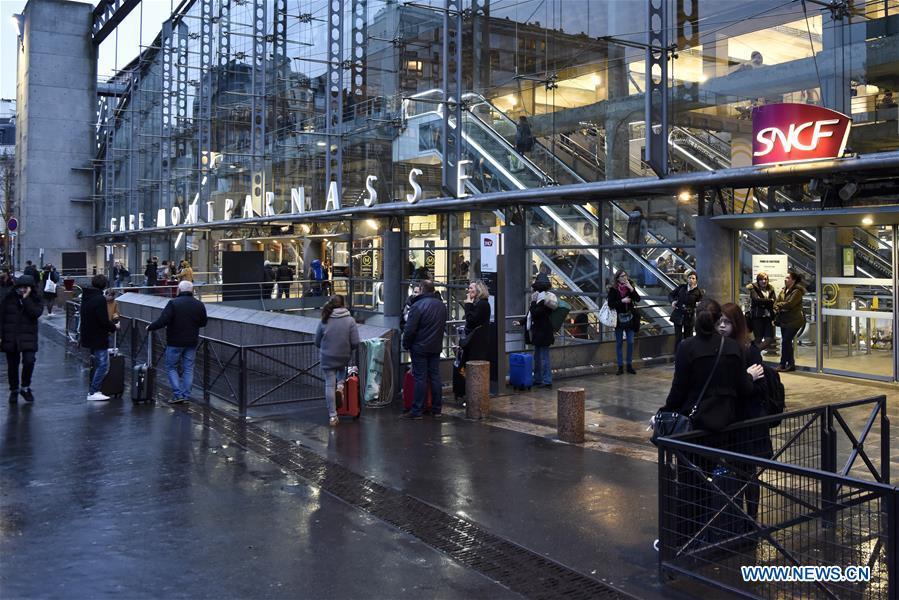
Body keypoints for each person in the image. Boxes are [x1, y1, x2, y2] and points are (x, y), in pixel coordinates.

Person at [657, 302, 757, 433]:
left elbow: (679, 388)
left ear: (695, 318)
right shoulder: (733, 346)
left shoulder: (687, 347)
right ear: (717, 319)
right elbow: (744, 387)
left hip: (696, 418)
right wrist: (750, 376)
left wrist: (665, 412)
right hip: (727, 419)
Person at [717, 303, 772, 523]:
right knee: (733, 471)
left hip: (745, 422)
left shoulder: (749, 350)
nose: (722, 326)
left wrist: (746, 378)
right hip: (727, 421)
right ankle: (735, 517)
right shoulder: (718, 347)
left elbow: (759, 388)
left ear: (737, 324)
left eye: (727, 322)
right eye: (719, 322)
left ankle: (751, 517)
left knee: (748, 473)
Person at [147, 280, 208, 404]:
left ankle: (177, 394)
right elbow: (203, 322)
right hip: (191, 341)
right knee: (188, 369)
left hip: (174, 341)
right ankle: (185, 395)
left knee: (171, 367)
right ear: (192, 291)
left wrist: (150, 327)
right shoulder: (199, 304)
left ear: (179, 290)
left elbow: (163, 320)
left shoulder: (173, 303)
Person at [401, 280, 446, 420]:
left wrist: (406, 344)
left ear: (421, 289)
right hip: (435, 346)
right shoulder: (441, 305)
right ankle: (437, 409)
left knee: (420, 378)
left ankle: (417, 410)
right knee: (435, 377)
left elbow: (409, 330)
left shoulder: (417, 306)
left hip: (419, 347)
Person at [314, 295, 360, 427]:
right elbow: (356, 342)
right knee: (341, 370)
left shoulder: (324, 319)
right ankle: (340, 386)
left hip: (328, 357)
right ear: (343, 304)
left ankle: (333, 416)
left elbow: (317, 341)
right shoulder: (350, 320)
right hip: (343, 356)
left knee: (329, 384)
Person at [0, 275, 42, 403]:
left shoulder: (35, 299)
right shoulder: (8, 298)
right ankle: (14, 390)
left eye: (26, 288)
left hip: (28, 336)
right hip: (10, 336)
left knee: (29, 361)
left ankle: (25, 387)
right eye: (21, 287)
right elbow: (1, 317)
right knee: (12, 365)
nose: (23, 290)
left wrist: (26, 299)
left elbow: (35, 313)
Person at [80, 275, 118, 401]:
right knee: (103, 365)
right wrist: (114, 327)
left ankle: (94, 390)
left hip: (88, 334)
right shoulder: (99, 299)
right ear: (104, 285)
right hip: (98, 336)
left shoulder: (87, 296)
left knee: (97, 363)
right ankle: (93, 391)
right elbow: (103, 320)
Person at [525, 273, 557, 388]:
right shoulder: (545, 298)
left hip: (542, 333)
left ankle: (546, 380)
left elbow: (534, 313)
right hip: (541, 332)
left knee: (543, 357)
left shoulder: (543, 300)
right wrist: (521, 321)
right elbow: (531, 313)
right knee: (538, 357)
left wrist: (533, 302)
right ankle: (539, 378)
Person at [608, 270, 640, 375]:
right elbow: (610, 304)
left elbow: (638, 299)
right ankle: (620, 366)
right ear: (618, 278)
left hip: (630, 318)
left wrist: (631, 288)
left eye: (625, 275)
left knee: (630, 342)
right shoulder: (613, 289)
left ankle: (629, 365)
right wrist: (622, 301)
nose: (624, 278)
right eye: (622, 276)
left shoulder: (630, 286)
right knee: (619, 343)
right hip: (618, 319)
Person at [773, 271, 806, 372]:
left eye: (788, 278)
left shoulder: (797, 291)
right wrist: (778, 305)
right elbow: (777, 301)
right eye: (785, 278)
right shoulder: (784, 290)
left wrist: (779, 305)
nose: (785, 279)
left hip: (794, 321)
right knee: (786, 342)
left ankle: (782, 364)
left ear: (793, 280)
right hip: (784, 320)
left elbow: (790, 304)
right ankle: (791, 364)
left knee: (786, 341)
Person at [669, 272, 703, 348]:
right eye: (689, 278)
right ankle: (677, 357)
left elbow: (700, 303)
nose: (691, 280)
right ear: (687, 279)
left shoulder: (698, 292)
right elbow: (671, 295)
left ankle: (687, 357)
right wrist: (673, 301)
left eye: (693, 278)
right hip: (678, 314)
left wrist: (698, 305)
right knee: (678, 338)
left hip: (689, 316)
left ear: (696, 280)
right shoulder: (682, 287)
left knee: (688, 338)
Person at [462, 280, 491, 364]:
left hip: (477, 343)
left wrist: (468, 304)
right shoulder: (479, 303)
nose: (469, 290)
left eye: (471, 288)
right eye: (468, 288)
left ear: (478, 290)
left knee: (474, 366)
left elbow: (470, 320)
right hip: (475, 341)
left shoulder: (482, 304)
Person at [746, 272, 777, 351]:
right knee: (758, 339)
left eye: (766, 279)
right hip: (757, 317)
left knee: (769, 339)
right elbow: (756, 300)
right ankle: (755, 356)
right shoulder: (753, 288)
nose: (764, 281)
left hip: (768, 317)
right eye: (761, 279)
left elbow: (774, 301)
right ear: (758, 281)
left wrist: (765, 301)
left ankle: (754, 352)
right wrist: (769, 301)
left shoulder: (771, 289)